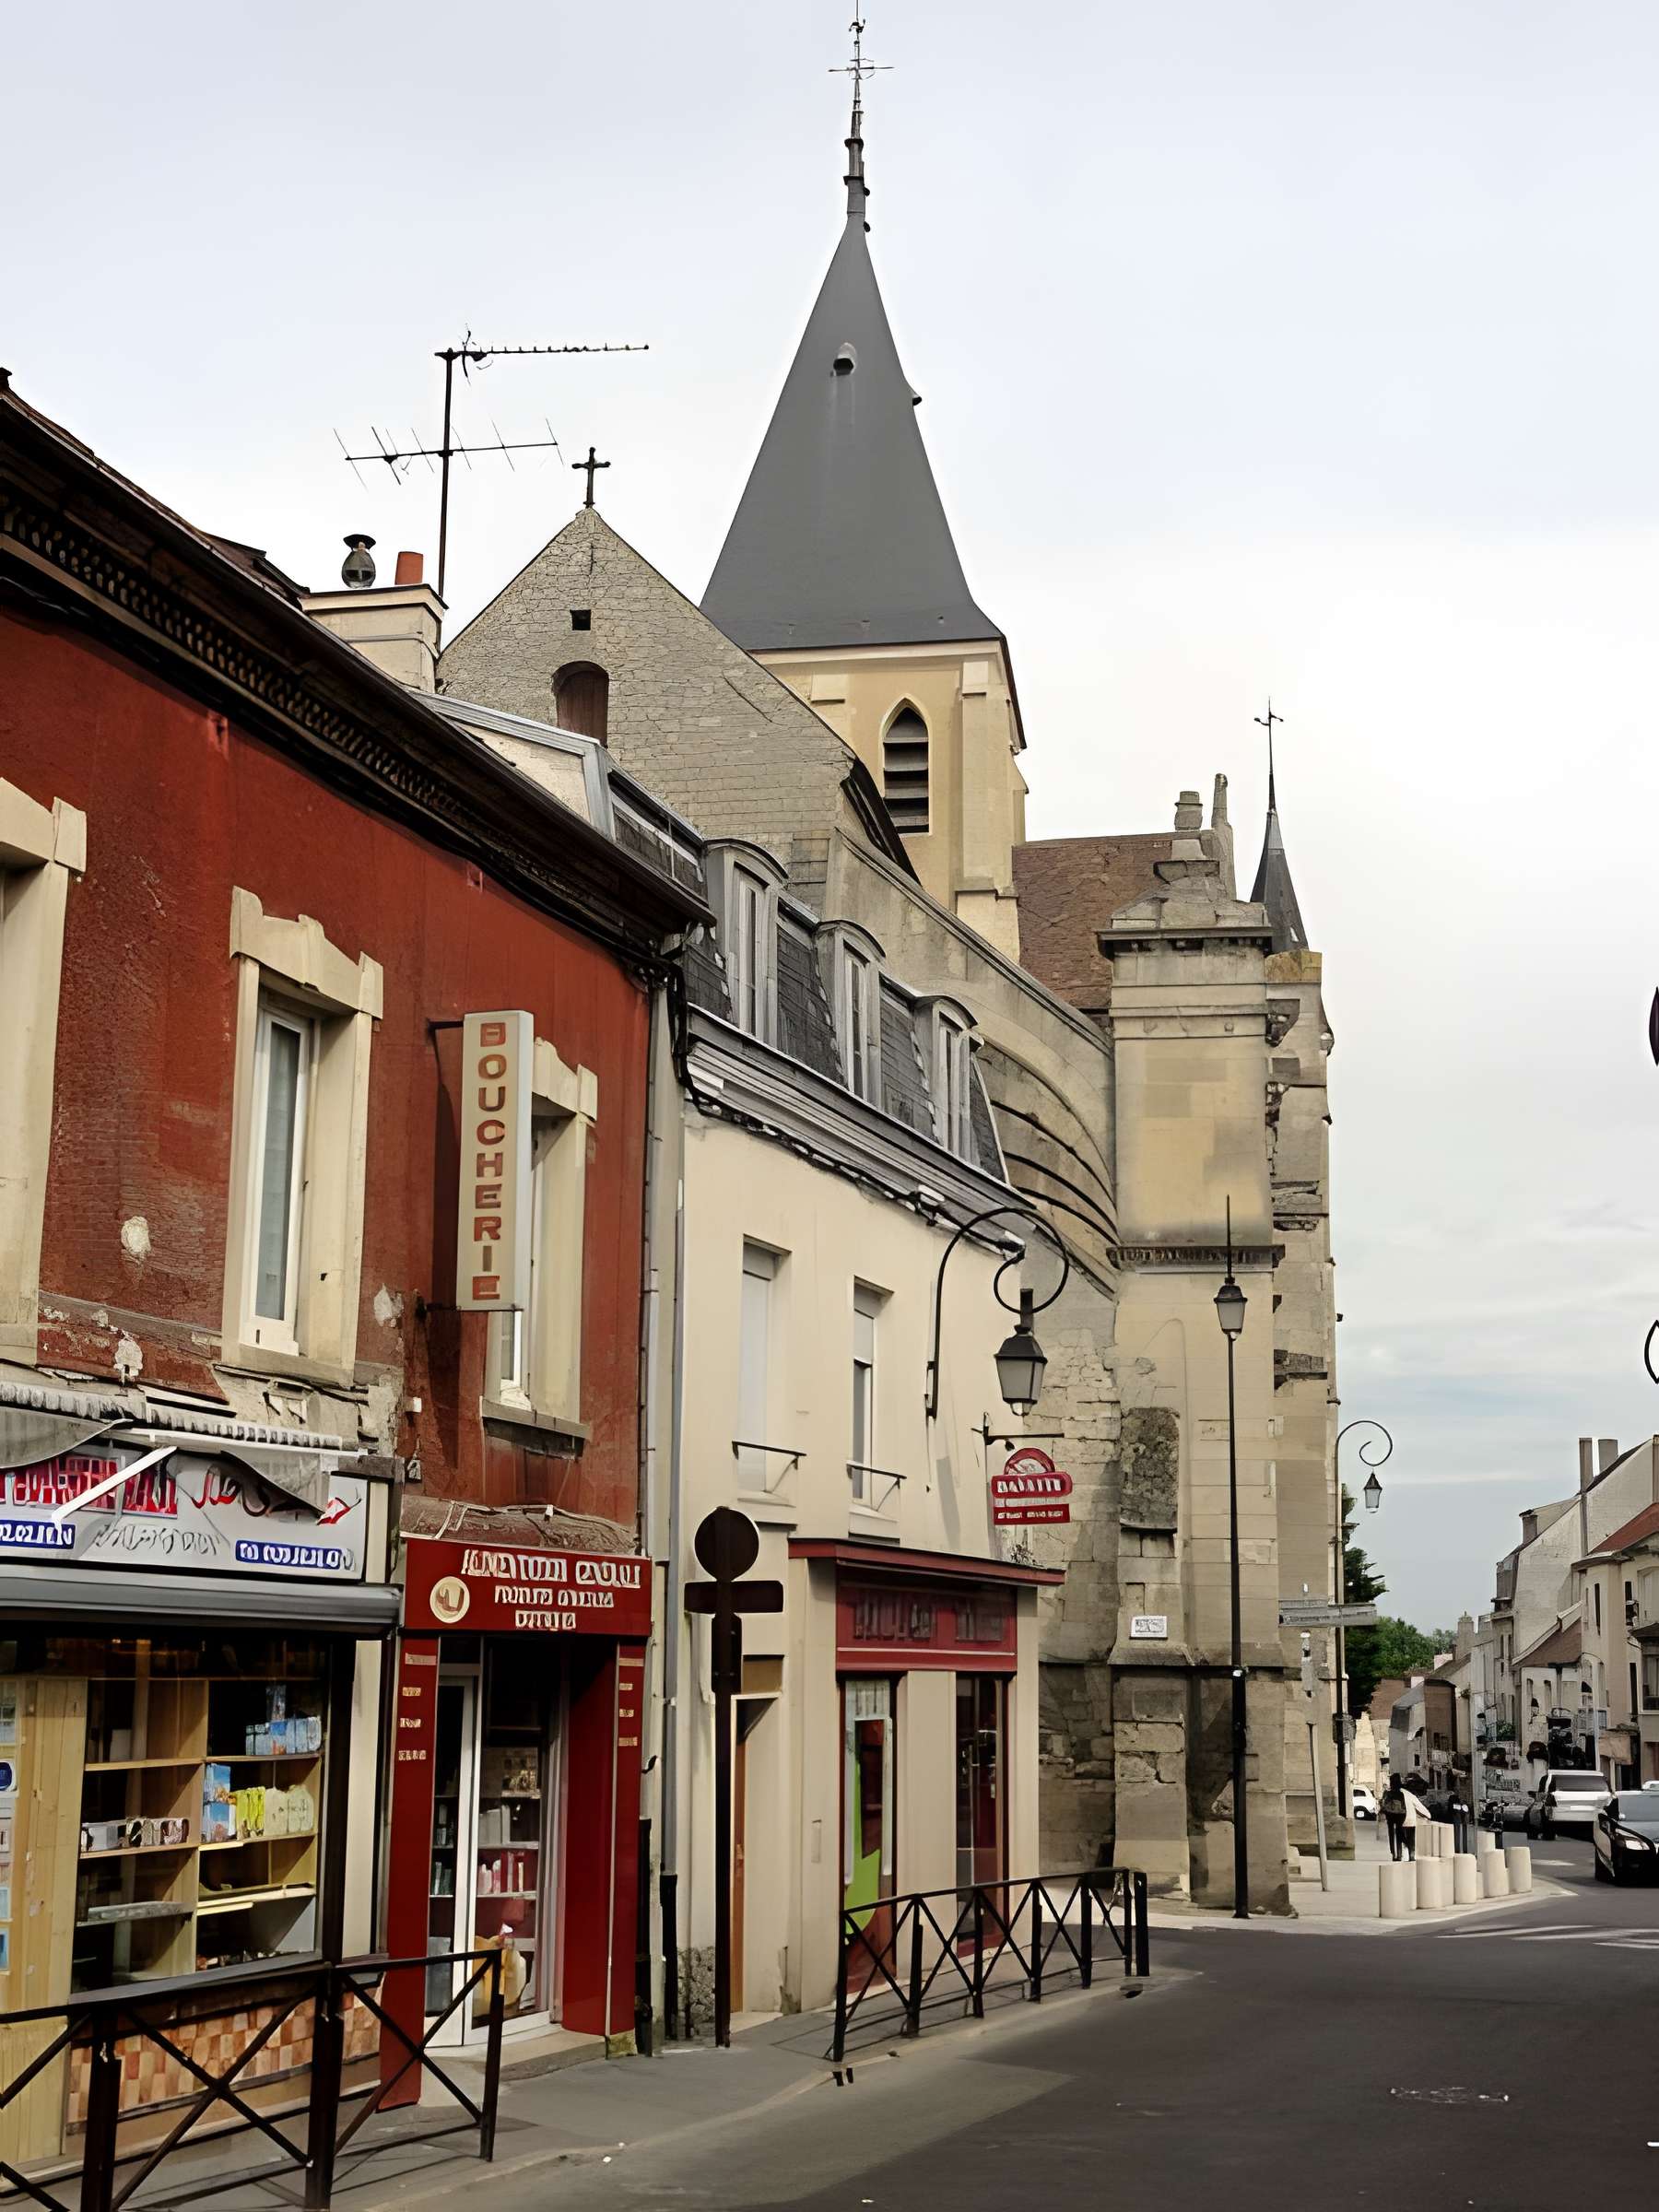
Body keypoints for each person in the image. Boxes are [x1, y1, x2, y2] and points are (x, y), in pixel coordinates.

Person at [1381, 1774, 1408, 1862]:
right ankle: (1400, 1854)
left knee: (1391, 1833)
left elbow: (1384, 1803)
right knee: (1399, 1832)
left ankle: (1393, 1853)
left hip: (1390, 1814)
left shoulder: (1388, 1793)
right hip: (1400, 1814)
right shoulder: (1402, 1793)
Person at [1398, 1775, 1420, 1860]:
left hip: (1402, 1819)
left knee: (1402, 1835)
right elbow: (1419, 1807)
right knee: (1411, 1837)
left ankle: (1408, 1850)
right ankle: (1411, 1853)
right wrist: (1428, 1815)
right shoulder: (1411, 1796)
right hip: (1410, 1820)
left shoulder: (1402, 1794)